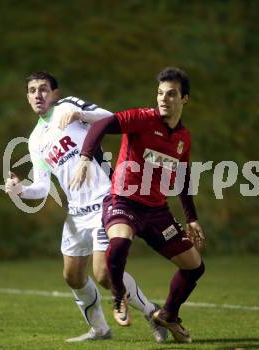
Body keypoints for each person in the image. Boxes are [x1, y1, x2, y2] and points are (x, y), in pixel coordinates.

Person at [4, 71, 167, 343]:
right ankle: (100, 330)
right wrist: (20, 190)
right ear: (27, 97)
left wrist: (81, 116)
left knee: (104, 274)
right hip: (76, 213)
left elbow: (112, 119)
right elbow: (43, 186)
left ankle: (153, 313)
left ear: (54, 93)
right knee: (73, 277)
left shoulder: (68, 106)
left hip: (105, 201)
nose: (38, 95)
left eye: (43, 89)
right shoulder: (35, 139)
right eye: (32, 90)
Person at [69, 67, 205, 343]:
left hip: (157, 212)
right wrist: (84, 158)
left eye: (171, 94)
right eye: (160, 93)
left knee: (195, 266)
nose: (163, 99)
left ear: (185, 99)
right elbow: (101, 126)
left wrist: (191, 219)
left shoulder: (183, 139)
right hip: (123, 202)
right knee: (119, 244)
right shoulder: (142, 119)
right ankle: (119, 295)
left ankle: (168, 314)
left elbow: (183, 177)